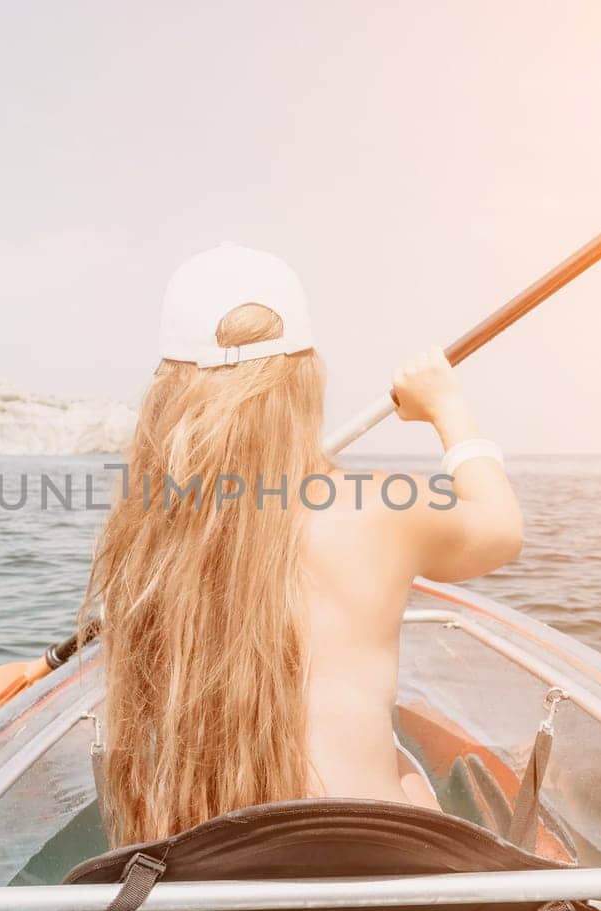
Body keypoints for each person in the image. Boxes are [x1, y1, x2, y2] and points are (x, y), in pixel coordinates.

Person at [90, 243, 524, 846]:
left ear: (171, 384)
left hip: (204, 876)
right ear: (303, 379)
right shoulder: (375, 509)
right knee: (405, 771)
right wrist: (447, 409)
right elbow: (502, 530)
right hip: (372, 868)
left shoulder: (140, 518)